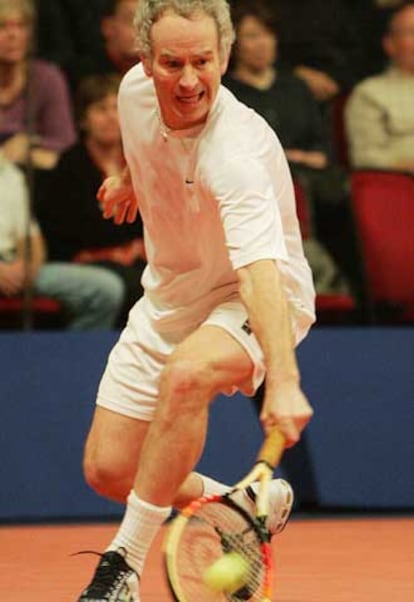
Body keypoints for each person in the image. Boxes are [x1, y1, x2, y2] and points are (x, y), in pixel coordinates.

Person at [77, 1, 315, 600]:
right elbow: (148, 134)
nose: (188, 80)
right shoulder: (134, 93)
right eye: (172, 63)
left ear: (225, 58)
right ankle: (238, 505)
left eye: (203, 62)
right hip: (171, 293)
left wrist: (282, 381)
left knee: (189, 373)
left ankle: (120, 568)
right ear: (144, 62)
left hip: (255, 293)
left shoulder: (237, 152)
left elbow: (260, 271)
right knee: (109, 470)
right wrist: (132, 178)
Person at [35, 73, 146, 326]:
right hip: (84, 263)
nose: (110, 117)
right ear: (84, 118)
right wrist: (125, 248)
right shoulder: (69, 165)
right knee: (134, 286)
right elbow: (69, 232)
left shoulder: (140, 160)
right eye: (100, 109)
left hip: (138, 260)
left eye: (115, 108)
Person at [0, 155, 124, 330]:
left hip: (16, 266)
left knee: (105, 289)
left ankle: (75, 355)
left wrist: (27, 269)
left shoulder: (9, 174)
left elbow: (31, 238)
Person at [0, 0, 76, 171]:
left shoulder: (47, 78)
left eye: (21, 26)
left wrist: (29, 143)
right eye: (2, 27)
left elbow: (65, 144)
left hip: (37, 182)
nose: (13, 35)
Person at [346, 1, 414, 172]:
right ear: (389, 44)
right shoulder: (369, 93)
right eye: (412, 32)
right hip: (399, 188)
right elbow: (365, 156)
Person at [68, 0, 139, 91]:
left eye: (145, 22)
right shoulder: (82, 74)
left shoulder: (154, 70)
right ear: (108, 27)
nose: (140, 30)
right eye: (130, 20)